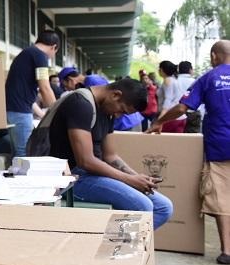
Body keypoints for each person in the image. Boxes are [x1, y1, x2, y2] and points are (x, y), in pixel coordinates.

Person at [49, 78, 173, 228]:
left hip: (93, 175)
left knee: (164, 208)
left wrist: (137, 177)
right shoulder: (81, 104)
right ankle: (112, 246)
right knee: (143, 207)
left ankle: (121, 244)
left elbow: (110, 156)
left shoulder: (107, 111)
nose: (119, 115)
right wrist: (128, 179)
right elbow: (85, 160)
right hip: (70, 178)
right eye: (122, 110)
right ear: (116, 95)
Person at [150, 40, 230, 263]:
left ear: (214, 56)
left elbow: (182, 108)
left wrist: (159, 122)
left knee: (223, 196)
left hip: (221, 144)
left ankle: (227, 251)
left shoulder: (209, 78)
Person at [5, 30, 59, 157]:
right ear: (54, 47)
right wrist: (57, 113)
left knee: (19, 153)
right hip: (20, 111)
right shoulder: (40, 56)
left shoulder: (27, 53)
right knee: (25, 153)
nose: (51, 57)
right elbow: (45, 87)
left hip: (14, 109)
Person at [157, 60, 185, 132]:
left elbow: (168, 99)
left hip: (169, 117)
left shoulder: (167, 80)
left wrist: (161, 118)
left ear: (162, 70)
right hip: (180, 117)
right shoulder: (175, 80)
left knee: (165, 141)